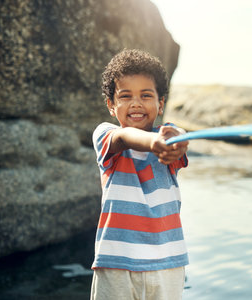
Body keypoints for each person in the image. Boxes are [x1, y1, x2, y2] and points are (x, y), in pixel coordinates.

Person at [90, 49, 189, 300]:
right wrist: (153, 140)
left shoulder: (168, 136)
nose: (136, 103)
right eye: (125, 96)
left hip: (168, 263)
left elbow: (175, 133)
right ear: (111, 105)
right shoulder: (105, 135)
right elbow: (124, 137)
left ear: (161, 104)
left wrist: (173, 142)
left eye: (146, 95)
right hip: (116, 263)